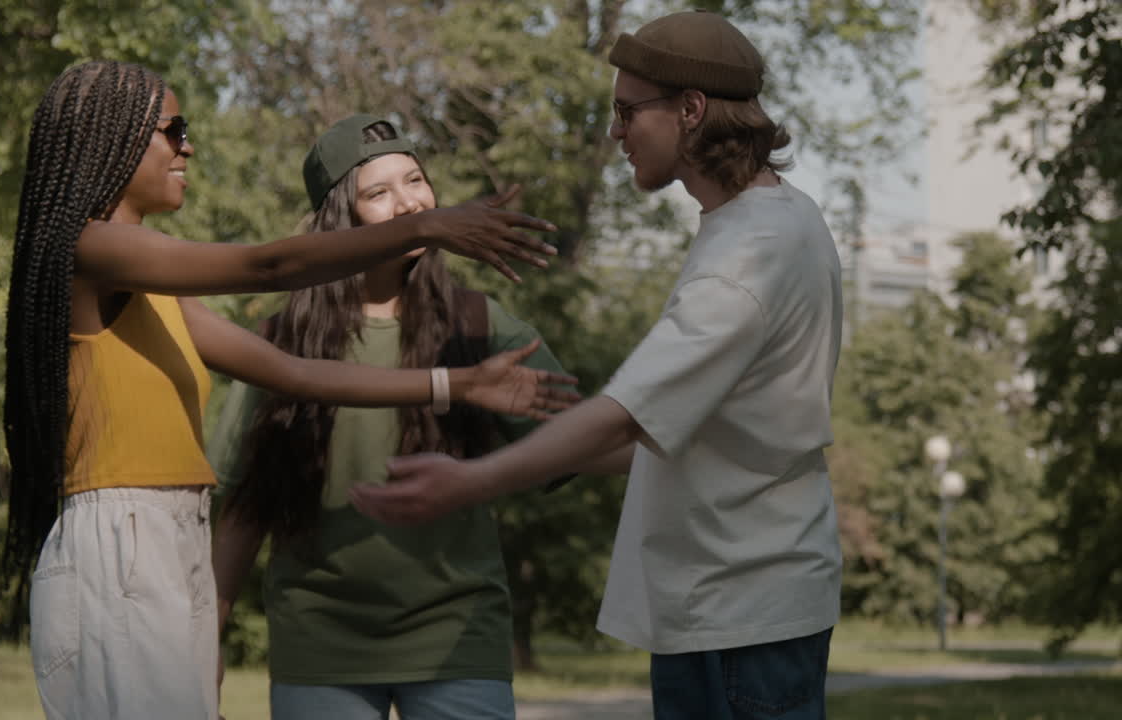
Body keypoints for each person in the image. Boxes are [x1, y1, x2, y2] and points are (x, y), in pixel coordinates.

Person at [2, 60, 574, 720]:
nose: (188, 146)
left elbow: (294, 374)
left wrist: (457, 382)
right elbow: (265, 265)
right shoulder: (91, 249)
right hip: (123, 542)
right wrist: (426, 225)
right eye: (174, 129)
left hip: (165, 537)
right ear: (115, 138)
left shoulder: (148, 283)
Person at [352, 11, 843, 720]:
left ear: (692, 109)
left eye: (627, 111)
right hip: (740, 608)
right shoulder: (775, 221)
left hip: (739, 618)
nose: (615, 131)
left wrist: (471, 481)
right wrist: (532, 418)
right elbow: (682, 433)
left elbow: (629, 412)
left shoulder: (748, 257)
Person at [208, 114, 574, 720]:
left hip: (458, 639)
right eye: (378, 193)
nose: (409, 204)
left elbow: (586, 438)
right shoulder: (279, 340)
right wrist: (208, 635)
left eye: (415, 181)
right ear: (338, 220)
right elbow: (244, 509)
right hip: (319, 644)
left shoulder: (479, 324)